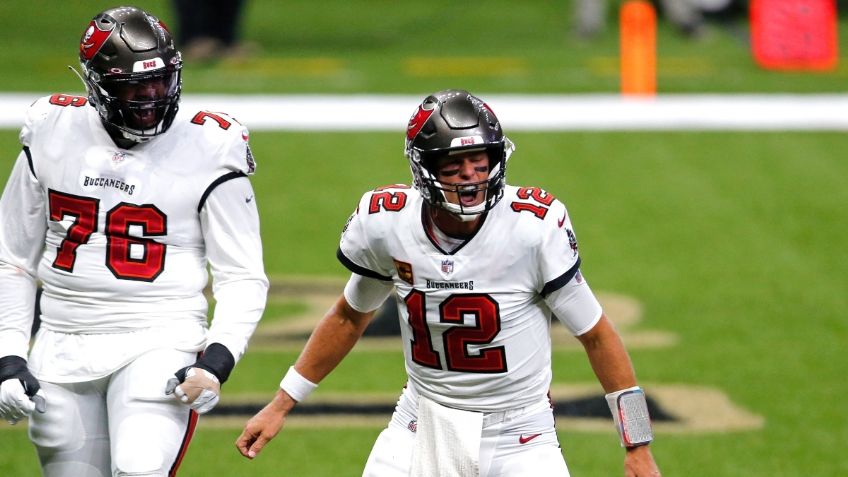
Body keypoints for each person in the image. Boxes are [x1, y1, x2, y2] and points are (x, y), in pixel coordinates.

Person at [236, 89, 661, 476]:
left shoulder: (532, 228)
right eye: (454, 164)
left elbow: (597, 335)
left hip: (519, 433)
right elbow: (349, 317)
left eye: (481, 161)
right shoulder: (387, 222)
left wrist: (637, 442)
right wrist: (281, 404)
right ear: (424, 167)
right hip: (423, 420)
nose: (471, 175)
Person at [0, 6, 268, 476]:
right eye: (133, 86)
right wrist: (8, 353)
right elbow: (12, 258)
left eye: (160, 82)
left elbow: (242, 274)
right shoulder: (51, 130)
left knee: (139, 466)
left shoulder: (211, 144)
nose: (150, 98)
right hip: (62, 337)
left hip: (159, 336)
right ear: (97, 84)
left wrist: (218, 358)